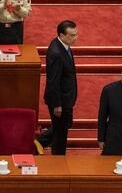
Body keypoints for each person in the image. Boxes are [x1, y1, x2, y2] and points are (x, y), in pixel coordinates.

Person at [43, 20, 78, 155]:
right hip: (60, 100)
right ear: (62, 35)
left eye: (76, 34)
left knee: (63, 125)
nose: (75, 38)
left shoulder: (63, 45)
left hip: (66, 97)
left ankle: (40, 141)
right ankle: (58, 158)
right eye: (72, 35)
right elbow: (53, 81)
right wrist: (57, 104)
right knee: (61, 134)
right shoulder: (56, 53)